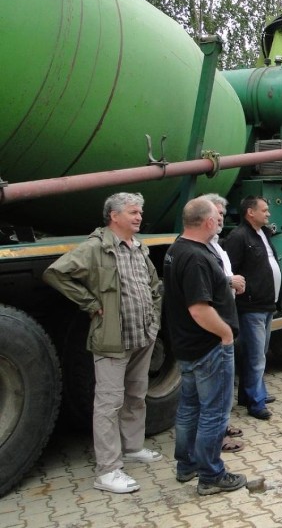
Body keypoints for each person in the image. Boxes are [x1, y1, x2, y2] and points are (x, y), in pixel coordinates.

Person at [43, 192, 163, 494]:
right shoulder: (97, 248)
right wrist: (89, 303)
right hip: (113, 338)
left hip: (143, 335)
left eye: (140, 212)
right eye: (133, 212)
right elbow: (56, 273)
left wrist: (155, 319)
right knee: (109, 403)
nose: (139, 217)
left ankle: (132, 448)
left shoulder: (138, 248)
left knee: (136, 394)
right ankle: (107, 471)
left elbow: (154, 286)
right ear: (114, 216)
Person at [162, 197, 246, 496]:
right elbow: (199, 309)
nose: (220, 221)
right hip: (207, 348)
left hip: (187, 347)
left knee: (189, 409)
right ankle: (211, 476)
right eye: (217, 217)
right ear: (208, 222)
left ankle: (186, 466)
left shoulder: (176, 249)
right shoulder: (197, 257)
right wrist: (225, 334)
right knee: (214, 412)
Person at [222, 196, 280, 420]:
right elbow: (230, 270)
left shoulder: (263, 233)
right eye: (264, 210)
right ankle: (256, 404)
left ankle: (251, 394)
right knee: (255, 356)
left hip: (267, 304)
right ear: (250, 213)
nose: (268, 214)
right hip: (251, 306)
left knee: (260, 353)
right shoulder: (238, 237)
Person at [199, 193, 246, 453]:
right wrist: (230, 282)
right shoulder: (200, 247)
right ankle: (215, 440)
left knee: (224, 382)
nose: (220, 217)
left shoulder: (217, 244)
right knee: (214, 386)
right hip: (214, 325)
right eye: (215, 213)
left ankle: (222, 425)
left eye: (221, 213)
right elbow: (208, 283)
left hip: (226, 316)